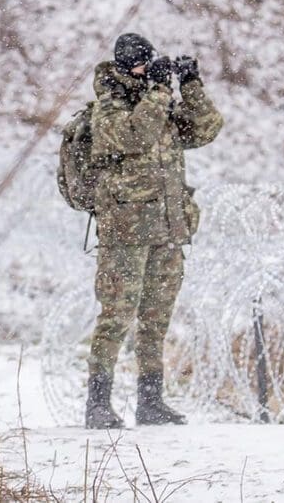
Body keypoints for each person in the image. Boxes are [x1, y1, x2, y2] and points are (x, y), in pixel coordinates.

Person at [84, 33, 224, 429]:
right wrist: (161, 91)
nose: (149, 71)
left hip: (167, 228)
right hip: (125, 232)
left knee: (156, 318)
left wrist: (190, 86)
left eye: (153, 65)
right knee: (117, 316)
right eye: (144, 66)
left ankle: (151, 401)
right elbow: (134, 136)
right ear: (127, 66)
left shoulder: (156, 104)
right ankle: (97, 404)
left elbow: (206, 129)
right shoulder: (109, 106)